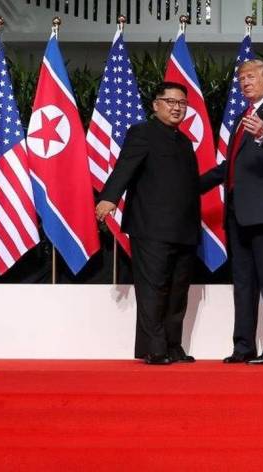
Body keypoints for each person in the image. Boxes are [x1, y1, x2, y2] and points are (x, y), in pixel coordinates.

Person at [200, 59, 263, 365]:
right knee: (243, 285)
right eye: (241, 78)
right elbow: (229, 167)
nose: (245, 82)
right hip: (238, 215)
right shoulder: (242, 117)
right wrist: (191, 185)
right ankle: (243, 347)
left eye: (251, 77)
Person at [96, 82, 200, 365]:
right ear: (156, 105)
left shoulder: (185, 142)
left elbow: (189, 185)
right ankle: (154, 349)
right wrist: (109, 198)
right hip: (151, 227)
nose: (177, 108)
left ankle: (173, 345)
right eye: (171, 102)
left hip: (184, 228)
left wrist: (224, 174)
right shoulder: (142, 132)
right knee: (153, 289)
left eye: (182, 103)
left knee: (178, 291)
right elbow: (125, 167)